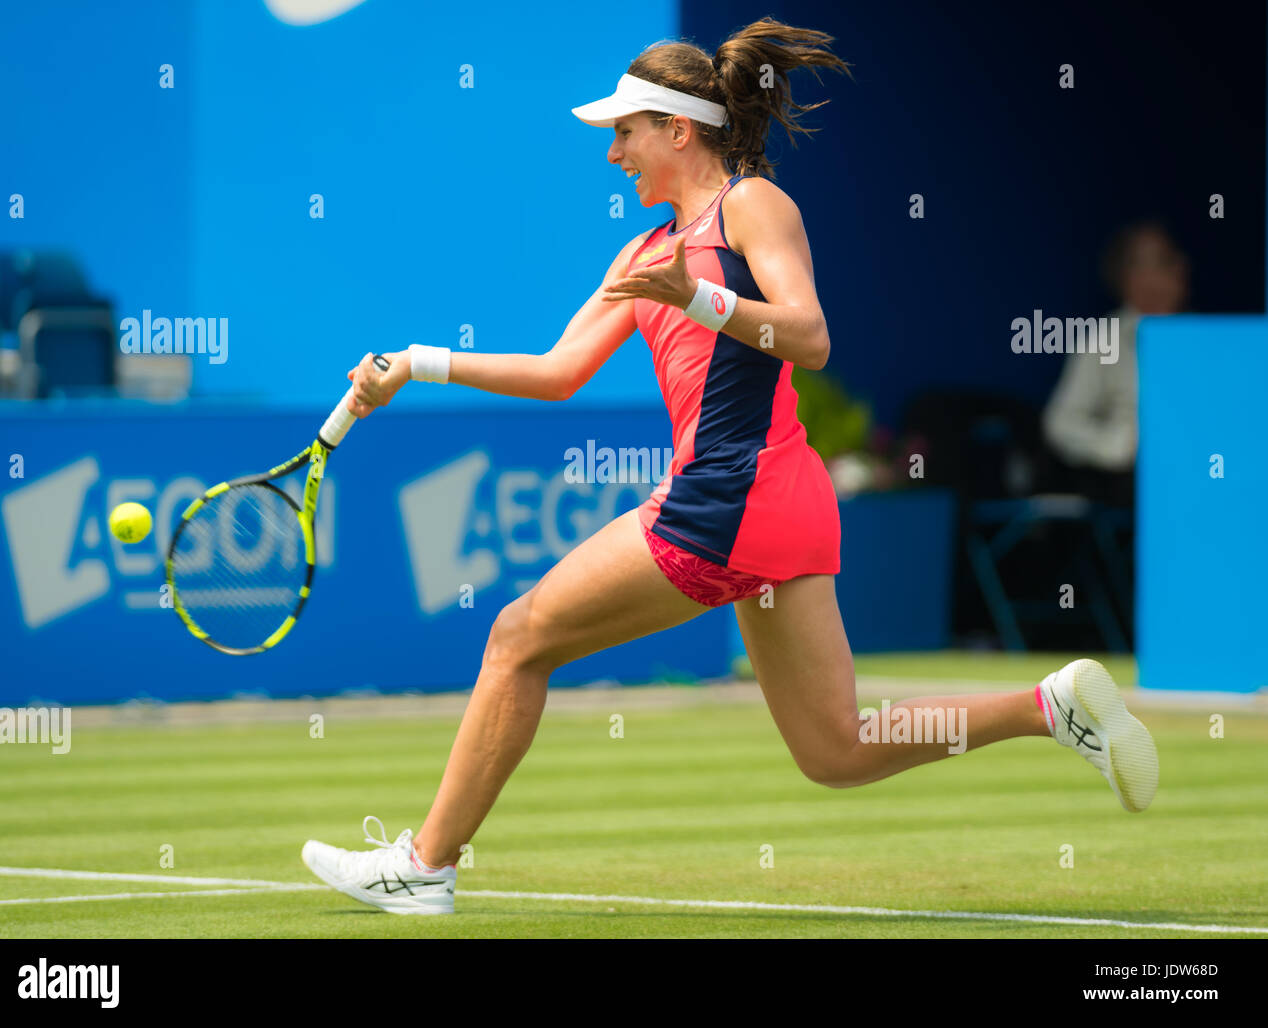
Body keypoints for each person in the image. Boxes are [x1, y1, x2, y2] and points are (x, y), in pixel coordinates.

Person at [301, 18, 1159, 915]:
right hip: (775, 509)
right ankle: (1047, 709)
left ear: (679, 129)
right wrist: (421, 361)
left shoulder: (751, 206)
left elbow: (813, 336)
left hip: (733, 496)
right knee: (836, 750)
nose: (613, 156)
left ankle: (425, 865)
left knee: (518, 637)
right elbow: (558, 372)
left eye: (624, 133)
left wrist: (703, 296)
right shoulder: (638, 256)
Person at [1043, 221, 1190, 508]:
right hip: (1132, 482)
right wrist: (1119, 448)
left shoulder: (1204, 339)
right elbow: (1060, 423)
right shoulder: (1105, 338)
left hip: (1194, 467)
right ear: (1131, 277)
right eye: (1165, 260)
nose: (1181, 267)